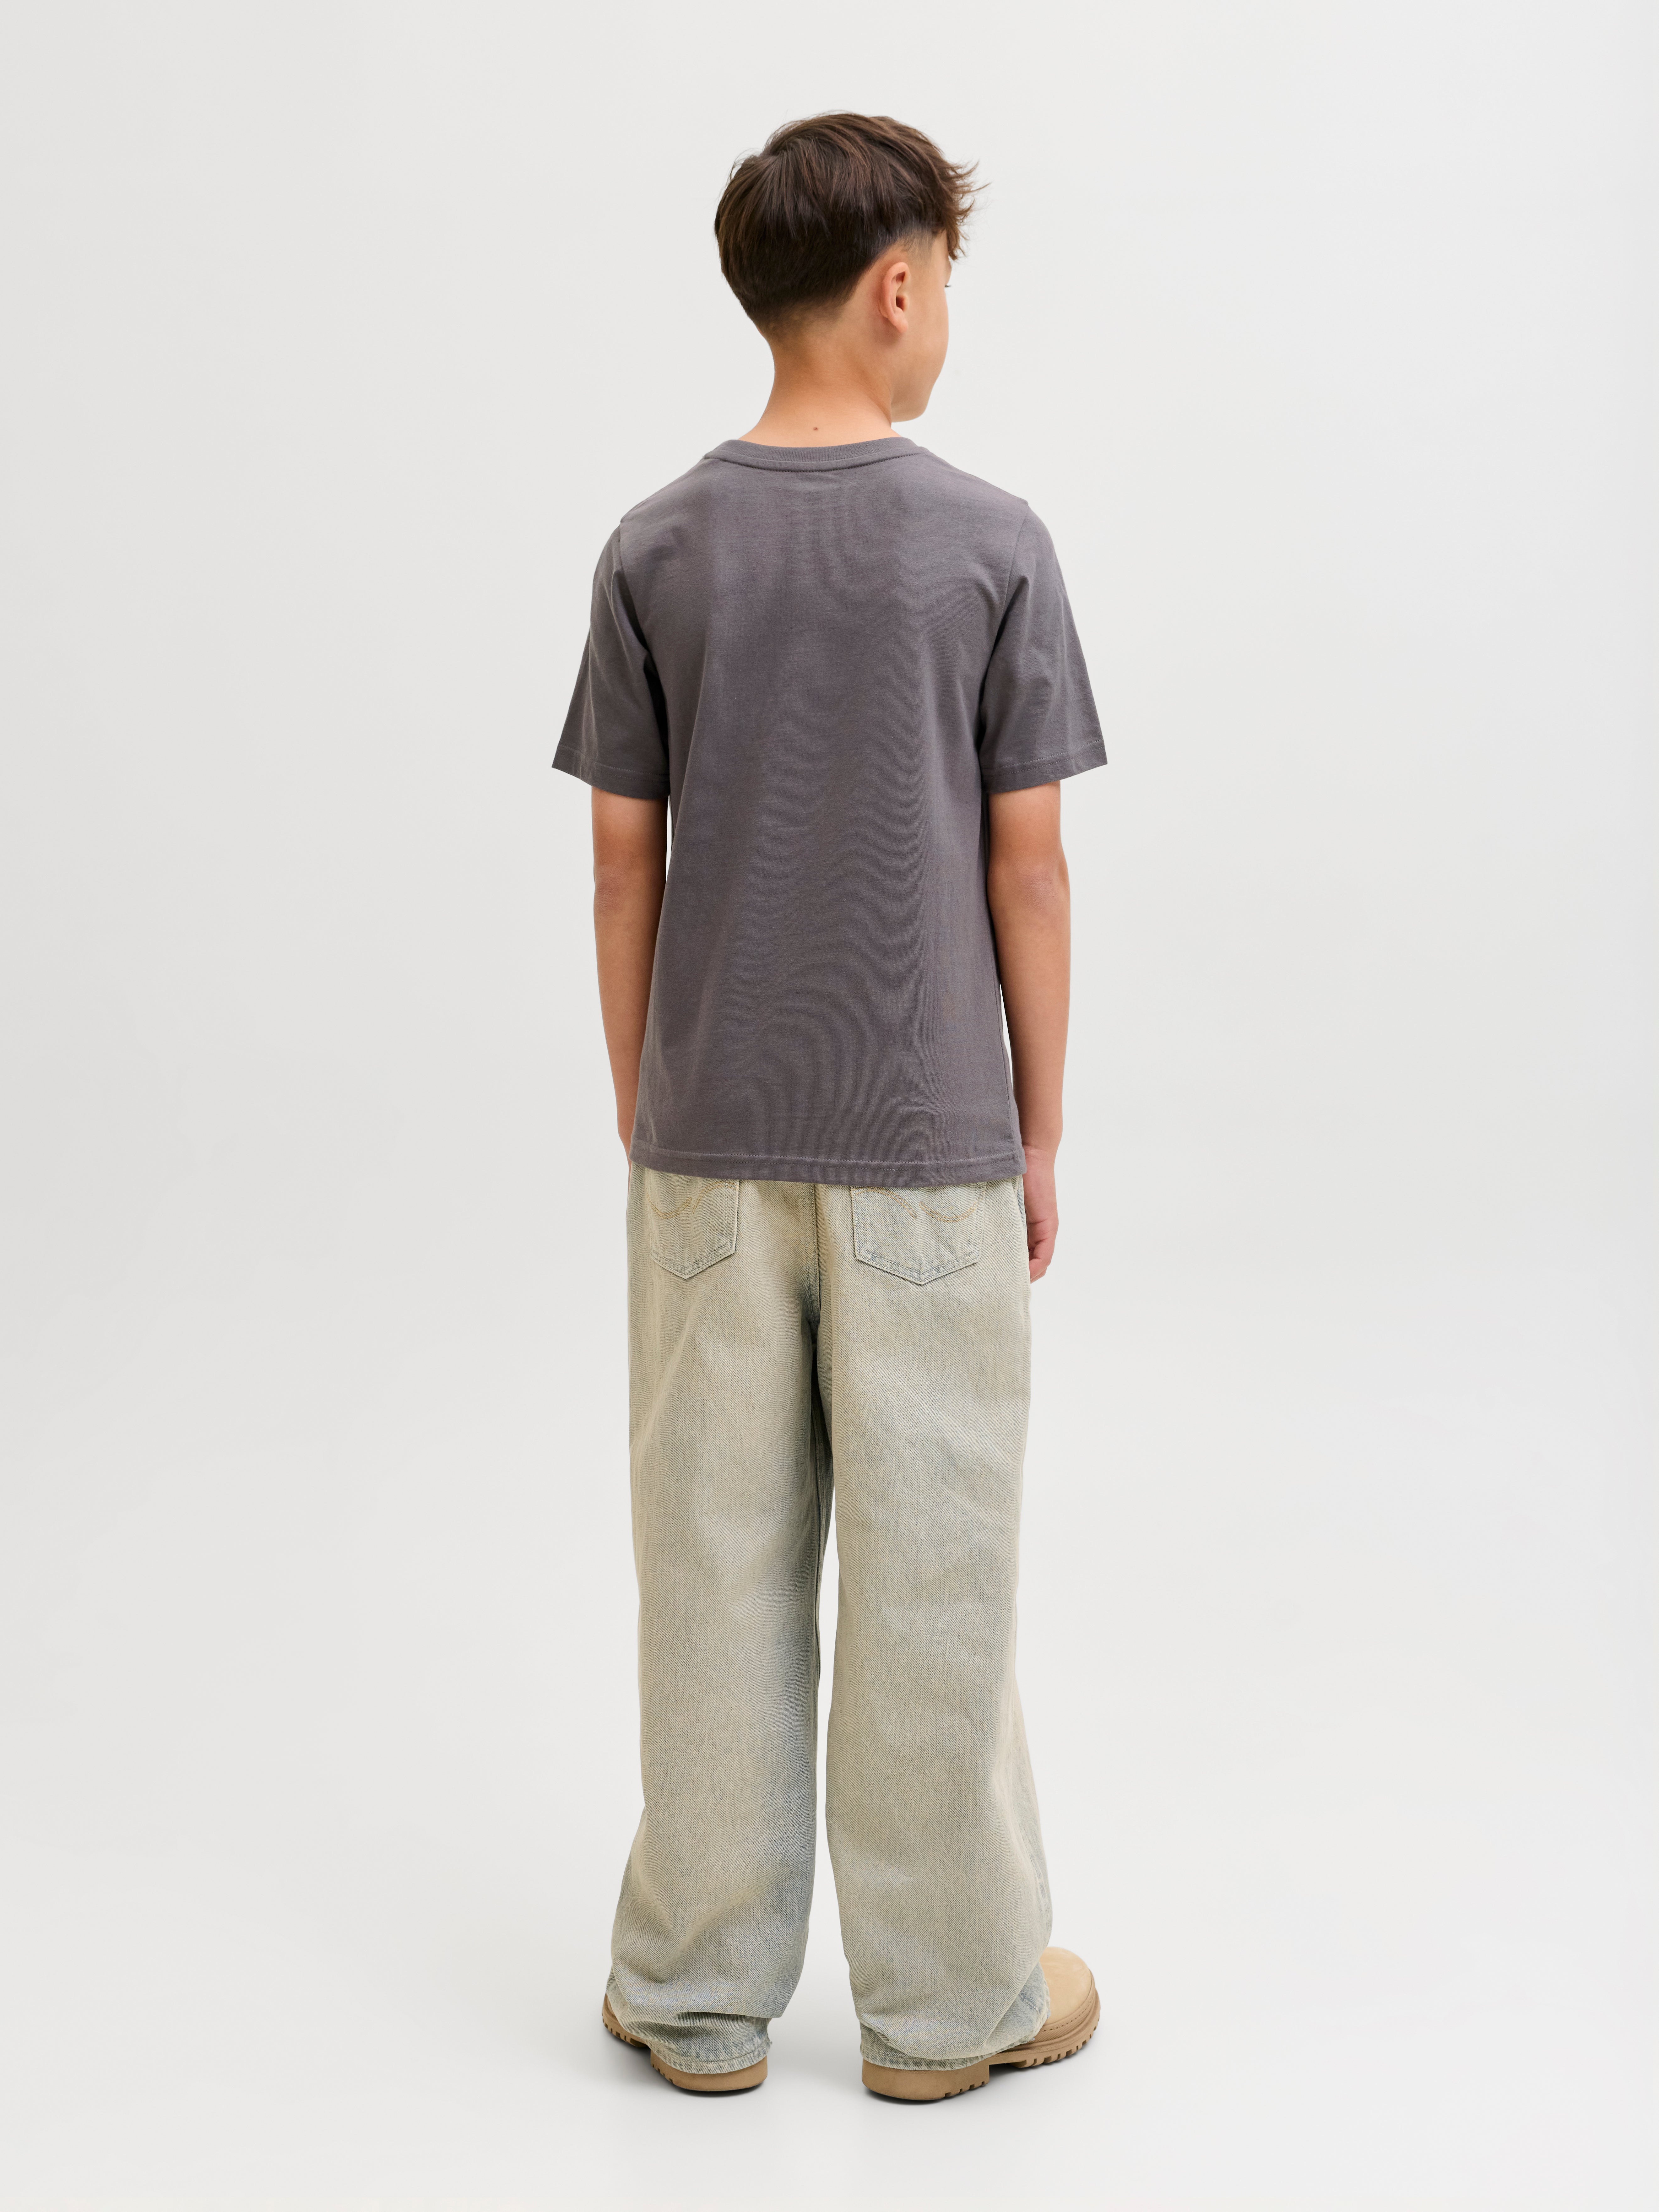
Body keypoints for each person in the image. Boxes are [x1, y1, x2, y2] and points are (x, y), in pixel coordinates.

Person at [554, 112, 1105, 2103]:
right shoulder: (989, 543)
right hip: (926, 1154)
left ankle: (696, 1991)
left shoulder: (656, 546)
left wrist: (653, 1104)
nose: (942, 317)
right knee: (933, 1566)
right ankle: (949, 2004)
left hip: (705, 1145)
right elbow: (1026, 871)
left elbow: (622, 862)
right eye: (941, 284)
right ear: (895, 285)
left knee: (707, 1563)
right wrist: (1036, 1130)